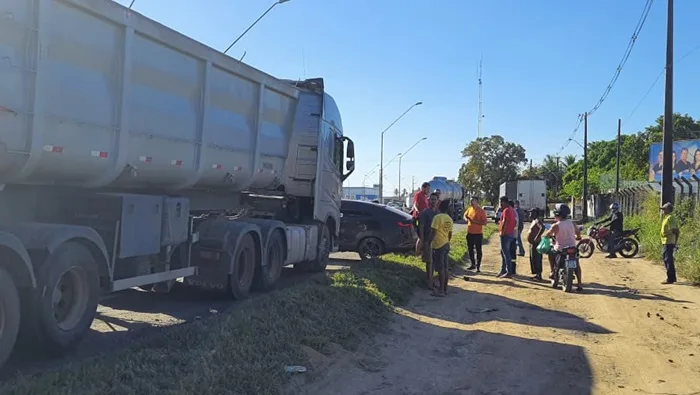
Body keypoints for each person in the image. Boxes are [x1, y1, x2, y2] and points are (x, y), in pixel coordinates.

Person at [544, 203, 583, 291]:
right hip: (572, 248)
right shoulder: (572, 223)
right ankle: (580, 283)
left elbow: (547, 235)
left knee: (551, 252)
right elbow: (578, 234)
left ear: (557, 214)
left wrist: (548, 236)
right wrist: (578, 237)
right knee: (577, 265)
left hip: (560, 249)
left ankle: (553, 273)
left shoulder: (556, 225)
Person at [429, 199, 454, 297]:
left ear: (439, 207)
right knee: (445, 267)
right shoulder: (449, 219)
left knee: (440, 269)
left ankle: (441, 291)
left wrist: (429, 242)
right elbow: (450, 234)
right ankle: (445, 289)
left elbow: (433, 232)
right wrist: (447, 241)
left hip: (438, 244)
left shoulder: (437, 217)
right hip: (446, 243)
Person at [418, 193, 440, 289]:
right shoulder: (425, 213)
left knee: (436, 261)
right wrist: (423, 240)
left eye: (434, 199)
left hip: (439, 241)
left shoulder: (439, 213)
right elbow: (421, 227)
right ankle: (429, 281)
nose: (433, 201)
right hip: (428, 240)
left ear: (437, 201)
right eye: (431, 199)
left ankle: (434, 279)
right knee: (429, 261)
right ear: (428, 200)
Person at [464, 197, 487, 272]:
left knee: (478, 250)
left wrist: (473, 221)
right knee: (470, 249)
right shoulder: (470, 209)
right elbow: (465, 215)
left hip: (478, 234)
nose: (471, 202)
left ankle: (478, 266)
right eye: (470, 201)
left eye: (472, 201)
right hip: (470, 233)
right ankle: (473, 264)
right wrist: (466, 219)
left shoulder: (481, 211)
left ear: (477, 202)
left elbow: (484, 222)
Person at [660, 202, 680, 284]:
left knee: (668, 260)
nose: (663, 210)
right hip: (666, 241)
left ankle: (671, 278)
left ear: (668, 209)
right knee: (666, 259)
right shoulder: (666, 217)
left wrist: (675, 242)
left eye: (664, 209)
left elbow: (676, 230)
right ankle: (671, 277)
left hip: (669, 241)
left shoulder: (670, 218)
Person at [497, 196, 516, 278]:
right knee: (503, 252)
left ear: (504, 202)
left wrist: (503, 232)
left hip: (505, 234)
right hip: (510, 233)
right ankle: (503, 270)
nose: (500, 204)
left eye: (501, 202)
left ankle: (509, 272)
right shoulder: (511, 209)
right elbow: (514, 221)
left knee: (506, 253)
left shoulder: (506, 210)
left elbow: (505, 221)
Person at [527, 208, 545, 281]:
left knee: (537, 259)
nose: (530, 214)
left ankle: (539, 275)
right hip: (532, 243)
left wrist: (537, 236)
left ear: (536, 214)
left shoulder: (537, 220)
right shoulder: (534, 221)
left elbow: (542, 227)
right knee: (533, 258)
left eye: (532, 213)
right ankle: (536, 274)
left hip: (536, 243)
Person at [508, 200, 519, 274]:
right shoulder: (515, 212)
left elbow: (514, 223)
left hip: (511, 236)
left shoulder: (513, 212)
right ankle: (512, 269)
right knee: (512, 253)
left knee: (511, 253)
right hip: (513, 235)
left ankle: (512, 269)